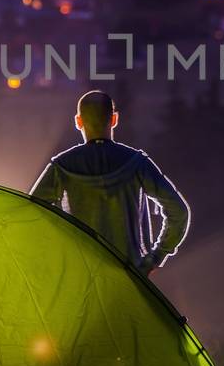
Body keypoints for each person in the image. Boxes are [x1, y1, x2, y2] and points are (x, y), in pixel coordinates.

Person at [29, 90, 190, 276]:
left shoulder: (61, 167)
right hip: (130, 278)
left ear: (78, 121)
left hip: (81, 277)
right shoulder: (137, 163)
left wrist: (58, 258)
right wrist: (155, 257)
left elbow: (31, 214)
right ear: (114, 119)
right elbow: (179, 211)